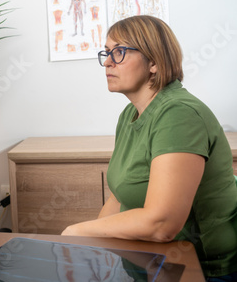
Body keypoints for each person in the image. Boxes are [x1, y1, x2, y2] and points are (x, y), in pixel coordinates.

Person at [61, 15, 237, 280]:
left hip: (202, 269)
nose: (107, 62)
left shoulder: (179, 114)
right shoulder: (129, 115)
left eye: (119, 52)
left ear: (154, 62)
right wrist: (90, 243)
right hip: (152, 260)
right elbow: (120, 196)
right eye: (107, 53)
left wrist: (78, 231)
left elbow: (162, 224)